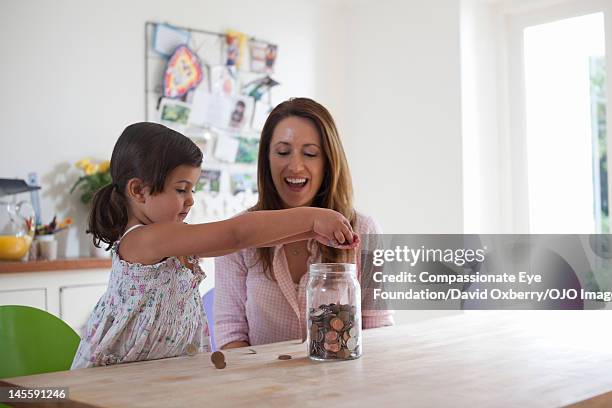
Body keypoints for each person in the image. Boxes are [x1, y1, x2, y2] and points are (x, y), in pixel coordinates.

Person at [71, 122, 358, 369]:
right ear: (138, 191)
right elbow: (237, 235)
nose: (190, 200)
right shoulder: (144, 239)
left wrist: (309, 231)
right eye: (181, 189)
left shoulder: (170, 238)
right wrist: (314, 217)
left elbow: (247, 241)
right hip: (117, 374)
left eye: (192, 190)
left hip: (159, 372)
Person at [215, 98, 394, 350]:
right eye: (282, 152)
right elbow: (229, 333)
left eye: (310, 153)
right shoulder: (238, 235)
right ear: (267, 159)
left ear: (328, 162)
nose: (295, 166)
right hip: (262, 384)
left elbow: (378, 328)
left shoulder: (363, 229)